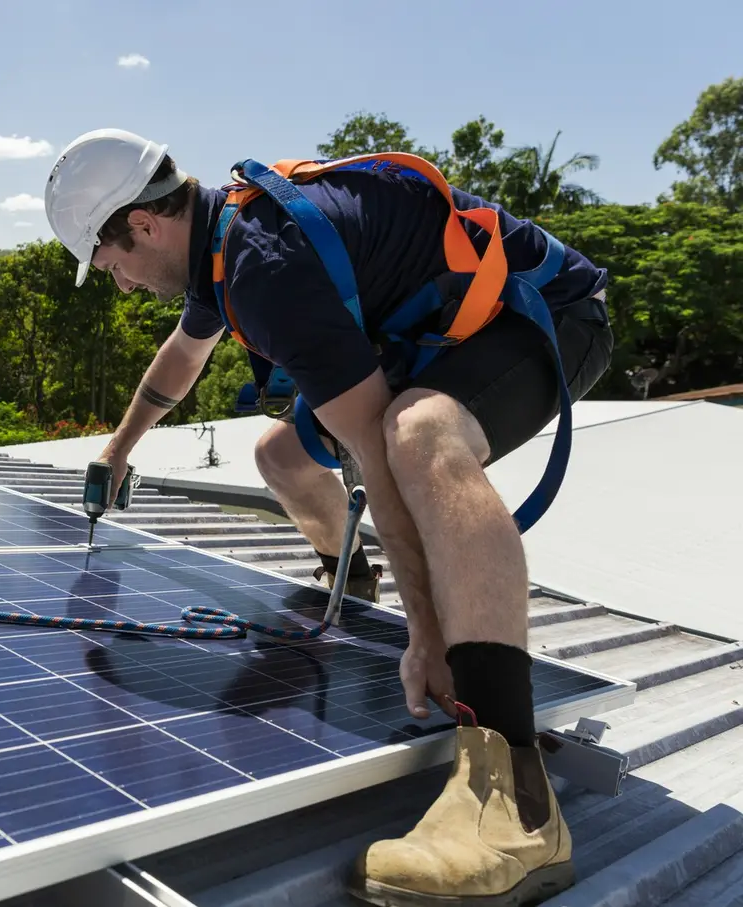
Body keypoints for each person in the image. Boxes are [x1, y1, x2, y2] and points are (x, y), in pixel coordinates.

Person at [43, 127, 613, 907]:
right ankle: (354, 582)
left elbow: (376, 457)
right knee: (281, 456)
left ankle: (513, 797)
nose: (122, 285)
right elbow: (181, 359)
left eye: (113, 266)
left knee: (417, 435)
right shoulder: (218, 245)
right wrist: (116, 452)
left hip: (545, 316)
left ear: (143, 225)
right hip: (438, 339)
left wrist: (430, 635)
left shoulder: (262, 266)